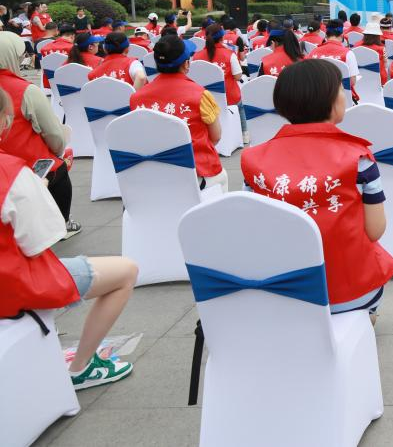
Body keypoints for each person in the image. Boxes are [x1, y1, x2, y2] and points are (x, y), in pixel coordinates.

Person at [0, 88, 139, 389]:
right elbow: (43, 238)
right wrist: (39, 188)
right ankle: (81, 367)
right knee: (126, 272)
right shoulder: (10, 172)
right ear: (4, 121)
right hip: (12, 287)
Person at [241, 60, 393, 319]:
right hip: (350, 292)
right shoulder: (358, 159)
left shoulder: (252, 160)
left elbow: (253, 226)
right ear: (331, 101)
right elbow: (375, 230)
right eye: (340, 89)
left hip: (282, 291)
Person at [0, 32, 79, 238]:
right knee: (58, 166)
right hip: (22, 165)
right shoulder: (25, 90)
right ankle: (62, 223)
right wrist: (58, 151)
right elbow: (54, 134)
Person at [130, 35, 226, 190]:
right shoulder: (200, 95)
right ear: (186, 64)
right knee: (223, 177)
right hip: (195, 172)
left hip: (154, 172)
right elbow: (216, 137)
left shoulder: (136, 98)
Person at [307, 19, 360, 102]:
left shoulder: (313, 52)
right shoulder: (348, 53)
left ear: (326, 34)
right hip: (342, 101)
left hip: (317, 101)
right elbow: (352, 81)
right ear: (342, 34)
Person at [356, 20, 389, 84]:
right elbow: (384, 66)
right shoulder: (381, 49)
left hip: (359, 81)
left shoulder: (356, 46)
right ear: (378, 36)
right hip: (377, 82)